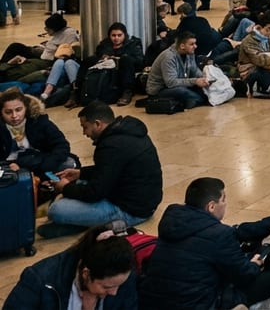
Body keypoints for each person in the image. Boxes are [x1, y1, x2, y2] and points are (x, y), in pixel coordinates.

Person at [139, 177, 270, 310]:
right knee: (268, 280)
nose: (226, 204)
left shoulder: (171, 221)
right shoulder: (220, 234)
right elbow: (242, 275)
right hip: (200, 303)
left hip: (154, 301)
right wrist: (255, 265)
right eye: (223, 199)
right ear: (211, 206)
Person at [39, 101, 162, 238]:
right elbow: (112, 169)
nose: (84, 133)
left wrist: (65, 187)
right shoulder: (126, 132)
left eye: (85, 127)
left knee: (56, 210)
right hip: (141, 201)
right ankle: (86, 223)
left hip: (131, 211)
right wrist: (81, 173)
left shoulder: (110, 146)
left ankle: (87, 224)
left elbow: (95, 193)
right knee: (78, 184)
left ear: (97, 124)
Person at [3, 226, 138, 309]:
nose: (114, 292)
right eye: (106, 287)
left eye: (119, 285)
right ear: (86, 274)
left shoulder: (122, 277)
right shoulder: (40, 279)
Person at [1, 87, 75, 180]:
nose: (14, 116)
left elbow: (62, 145)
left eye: (18, 110)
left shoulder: (39, 121)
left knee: (69, 163)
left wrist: (45, 165)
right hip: (9, 166)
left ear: (26, 108)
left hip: (39, 163)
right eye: (8, 112)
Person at [145, 31, 210, 109]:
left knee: (201, 89)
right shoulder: (168, 57)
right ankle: (199, 100)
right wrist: (195, 81)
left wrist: (205, 78)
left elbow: (194, 71)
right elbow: (171, 83)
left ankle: (194, 100)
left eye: (195, 43)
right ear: (182, 46)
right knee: (183, 92)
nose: (195, 46)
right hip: (160, 90)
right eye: (191, 44)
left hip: (177, 84)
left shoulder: (190, 53)